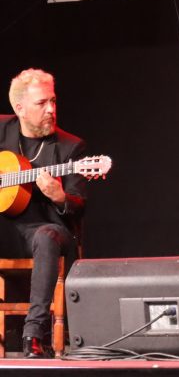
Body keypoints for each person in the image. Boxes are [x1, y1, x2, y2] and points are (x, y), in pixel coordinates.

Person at [0, 69, 86, 358]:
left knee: (47, 237)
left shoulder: (70, 147)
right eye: (41, 103)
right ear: (19, 108)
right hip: (6, 229)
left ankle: (33, 334)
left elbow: (78, 204)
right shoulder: (2, 130)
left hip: (47, 229)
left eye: (53, 101)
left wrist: (60, 196)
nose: (51, 109)